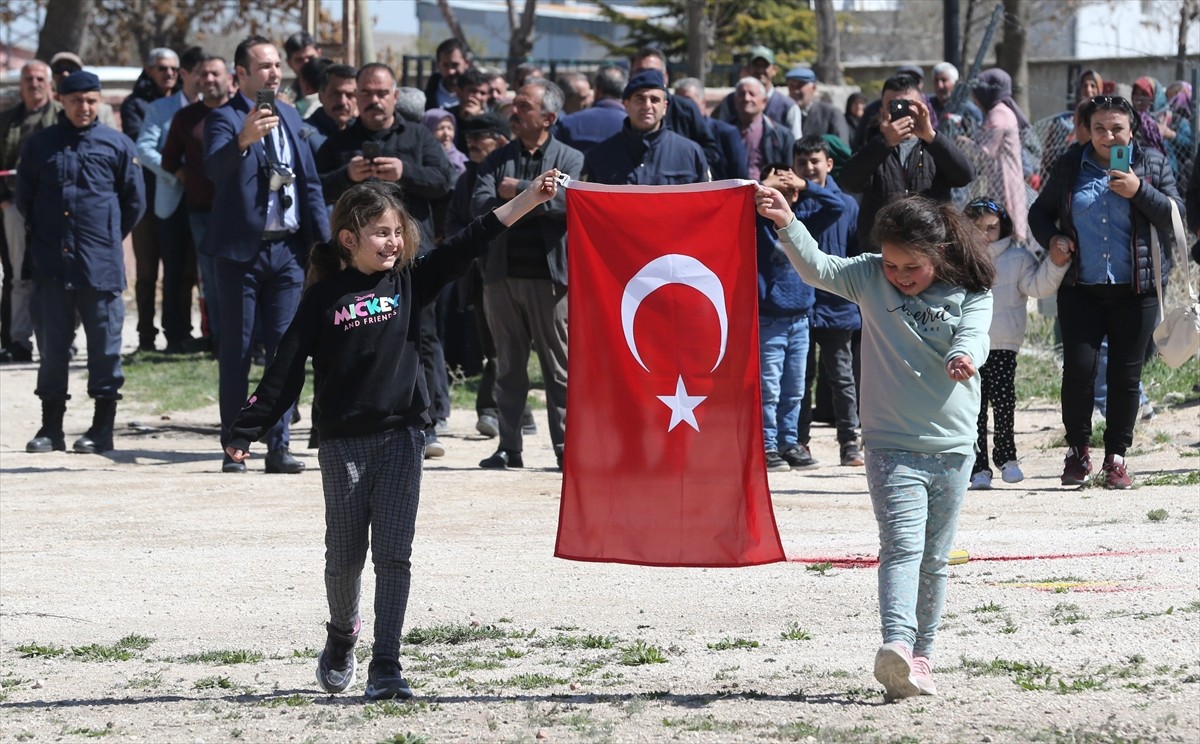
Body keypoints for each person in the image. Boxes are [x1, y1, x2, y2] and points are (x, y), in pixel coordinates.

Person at [225, 163, 560, 700]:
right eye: (381, 232)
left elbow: (472, 238)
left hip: (404, 436)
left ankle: (387, 663)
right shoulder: (322, 297)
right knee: (344, 556)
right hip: (342, 443)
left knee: (394, 555)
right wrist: (248, 428)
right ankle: (341, 635)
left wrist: (530, 199)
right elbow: (285, 369)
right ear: (350, 239)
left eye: (397, 231)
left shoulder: (409, 281)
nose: (393, 240)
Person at [756, 187, 994, 702]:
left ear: (939, 255)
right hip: (889, 444)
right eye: (891, 265)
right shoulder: (867, 276)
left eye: (911, 267)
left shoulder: (971, 291)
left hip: (953, 446)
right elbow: (817, 268)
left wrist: (963, 355)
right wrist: (786, 221)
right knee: (902, 548)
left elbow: (975, 335)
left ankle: (922, 658)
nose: (899, 276)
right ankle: (897, 646)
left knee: (934, 557)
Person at [1029, 95, 1183, 489]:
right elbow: (1038, 213)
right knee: (1079, 371)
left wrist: (1138, 190)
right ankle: (1077, 451)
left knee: (1124, 377)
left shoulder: (1151, 163)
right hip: (1081, 287)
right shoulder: (1069, 165)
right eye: (1099, 128)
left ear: (1131, 130)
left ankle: (1116, 457)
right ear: (1088, 130)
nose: (1108, 136)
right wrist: (1054, 238)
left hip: (1137, 290)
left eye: (1116, 128)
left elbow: (1174, 217)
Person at [203, 35, 330, 474]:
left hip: (288, 253)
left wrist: (325, 245)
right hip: (241, 256)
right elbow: (213, 171)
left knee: (286, 353)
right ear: (241, 74)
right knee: (237, 352)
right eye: (264, 67)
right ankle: (235, 445)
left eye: (277, 66)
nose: (274, 73)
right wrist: (242, 139)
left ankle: (280, 446)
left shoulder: (291, 115)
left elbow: (310, 184)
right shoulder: (224, 118)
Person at [316, 62, 455, 457]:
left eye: (381, 93)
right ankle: (348, 417)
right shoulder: (340, 143)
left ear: (395, 95)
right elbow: (315, 184)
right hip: (354, 263)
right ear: (355, 97)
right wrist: (348, 173)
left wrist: (404, 171)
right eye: (366, 94)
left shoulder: (417, 136)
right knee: (348, 338)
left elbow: (445, 180)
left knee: (420, 337)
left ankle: (429, 421)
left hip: (411, 260)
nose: (374, 101)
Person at [16, 71, 146, 455]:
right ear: (61, 100)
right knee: (53, 349)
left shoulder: (118, 144)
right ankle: (50, 428)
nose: (84, 108)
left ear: (100, 101)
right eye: (76, 100)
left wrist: (103, 236)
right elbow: (26, 200)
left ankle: (101, 429)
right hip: (51, 264)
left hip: (99, 266)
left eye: (91, 101)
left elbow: (133, 203)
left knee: (105, 350)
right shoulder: (39, 145)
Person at [471, 80, 583, 469]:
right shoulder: (496, 160)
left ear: (549, 117)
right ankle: (509, 447)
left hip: (550, 281)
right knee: (508, 367)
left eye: (523, 106)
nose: (513, 112)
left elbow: (569, 203)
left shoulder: (570, 159)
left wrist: (517, 192)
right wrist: (537, 197)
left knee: (559, 369)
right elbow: (481, 203)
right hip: (501, 277)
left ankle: (567, 448)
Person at [963, 197, 1071, 490]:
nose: (984, 235)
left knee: (1004, 403)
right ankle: (978, 467)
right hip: (969, 347)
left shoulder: (1018, 258)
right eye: (976, 228)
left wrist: (1056, 264)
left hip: (1003, 345)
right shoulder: (960, 260)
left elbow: (1038, 286)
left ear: (1004, 227)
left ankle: (1007, 459)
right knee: (973, 409)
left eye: (991, 227)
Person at [790, 135, 863, 468]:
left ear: (829, 164)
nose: (808, 168)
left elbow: (854, 254)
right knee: (800, 379)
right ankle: (798, 442)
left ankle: (850, 443)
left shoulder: (846, 204)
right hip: (800, 306)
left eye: (815, 161)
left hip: (837, 305)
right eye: (802, 163)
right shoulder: (790, 203)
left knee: (842, 378)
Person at [840, 74, 974, 253]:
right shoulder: (874, 146)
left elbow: (965, 175)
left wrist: (931, 137)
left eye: (910, 105)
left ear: (923, 108)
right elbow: (848, 182)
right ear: (882, 111)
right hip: (882, 255)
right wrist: (884, 143)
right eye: (894, 106)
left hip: (930, 251)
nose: (902, 111)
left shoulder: (935, 145)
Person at [136, 46, 206, 354]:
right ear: (185, 75)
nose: (207, 79)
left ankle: (194, 332)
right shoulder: (161, 108)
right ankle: (173, 333)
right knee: (174, 269)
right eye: (201, 73)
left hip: (208, 202)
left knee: (197, 271)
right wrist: (173, 172)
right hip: (172, 200)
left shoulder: (216, 107)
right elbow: (144, 148)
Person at [162, 55, 235, 349]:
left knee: (244, 278)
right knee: (212, 280)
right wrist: (188, 176)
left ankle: (250, 340)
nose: (209, 80)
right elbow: (168, 158)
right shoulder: (186, 118)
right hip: (202, 212)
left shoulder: (243, 114)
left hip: (241, 213)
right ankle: (219, 340)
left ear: (229, 78)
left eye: (215, 74)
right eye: (203, 75)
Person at [755, 163, 814, 472]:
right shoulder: (755, 223)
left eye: (790, 191)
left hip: (801, 318)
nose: (784, 196)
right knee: (770, 388)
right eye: (777, 190)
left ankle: (788, 442)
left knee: (795, 389)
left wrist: (805, 185)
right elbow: (734, 203)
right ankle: (766, 445)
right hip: (769, 319)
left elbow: (837, 202)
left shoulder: (804, 217)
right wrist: (761, 186)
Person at [0, 60, 59, 364]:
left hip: (55, 210)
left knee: (57, 276)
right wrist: (4, 200)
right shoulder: (7, 120)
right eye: (28, 78)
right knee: (19, 276)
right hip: (13, 207)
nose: (34, 83)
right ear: (20, 85)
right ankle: (19, 341)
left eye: (39, 78)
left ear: (49, 84)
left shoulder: (62, 118)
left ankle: (60, 339)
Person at [122, 47, 181, 352]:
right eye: (162, 68)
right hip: (145, 198)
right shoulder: (135, 105)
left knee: (178, 270)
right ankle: (146, 336)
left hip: (178, 198)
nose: (168, 74)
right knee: (146, 273)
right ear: (149, 70)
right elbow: (137, 146)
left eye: (173, 68)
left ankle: (177, 334)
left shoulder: (185, 102)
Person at [582, 70, 707, 185]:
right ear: (626, 104)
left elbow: (706, 202)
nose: (647, 106)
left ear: (665, 107)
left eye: (654, 100)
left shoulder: (690, 154)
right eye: (640, 99)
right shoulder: (600, 156)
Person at [958, 68, 1032, 243]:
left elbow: (983, 153)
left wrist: (962, 142)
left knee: (1004, 231)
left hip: (1003, 181)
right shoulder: (1005, 111)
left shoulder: (998, 114)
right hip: (1007, 180)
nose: (975, 101)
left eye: (977, 95)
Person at [713, 46, 801, 139]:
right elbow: (720, 135)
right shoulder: (731, 101)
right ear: (747, 69)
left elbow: (795, 144)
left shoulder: (788, 107)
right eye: (756, 65)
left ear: (774, 70)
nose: (760, 70)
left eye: (765, 66)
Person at [674, 76, 747, 181]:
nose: (682, 106)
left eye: (687, 100)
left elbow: (740, 178)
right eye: (678, 101)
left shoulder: (726, 133)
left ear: (703, 103)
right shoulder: (673, 135)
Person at [553, 66, 627, 155]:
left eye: (589, 95)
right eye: (583, 98)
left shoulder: (568, 123)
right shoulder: (633, 124)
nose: (589, 100)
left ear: (597, 90)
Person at [731, 77, 793, 180]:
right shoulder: (723, 132)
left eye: (752, 94)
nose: (746, 98)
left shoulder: (781, 135)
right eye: (742, 94)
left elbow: (788, 171)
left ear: (764, 101)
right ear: (735, 101)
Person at [784, 66, 851, 144]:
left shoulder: (831, 114)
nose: (795, 91)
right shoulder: (784, 113)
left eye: (799, 86)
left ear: (813, 88)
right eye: (792, 86)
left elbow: (841, 148)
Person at [929, 62, 983, 129]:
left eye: (944, 80)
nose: (939, 86)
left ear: (955, 83)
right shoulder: (928, 105)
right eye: (936, 80)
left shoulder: (969, 110)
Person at [424, 38, 469, 111]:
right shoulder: (426, 98)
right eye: (446, 65)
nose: (451, 71)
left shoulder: (479, 96)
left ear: (466, 63)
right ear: (438, 65)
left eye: (455, 65)